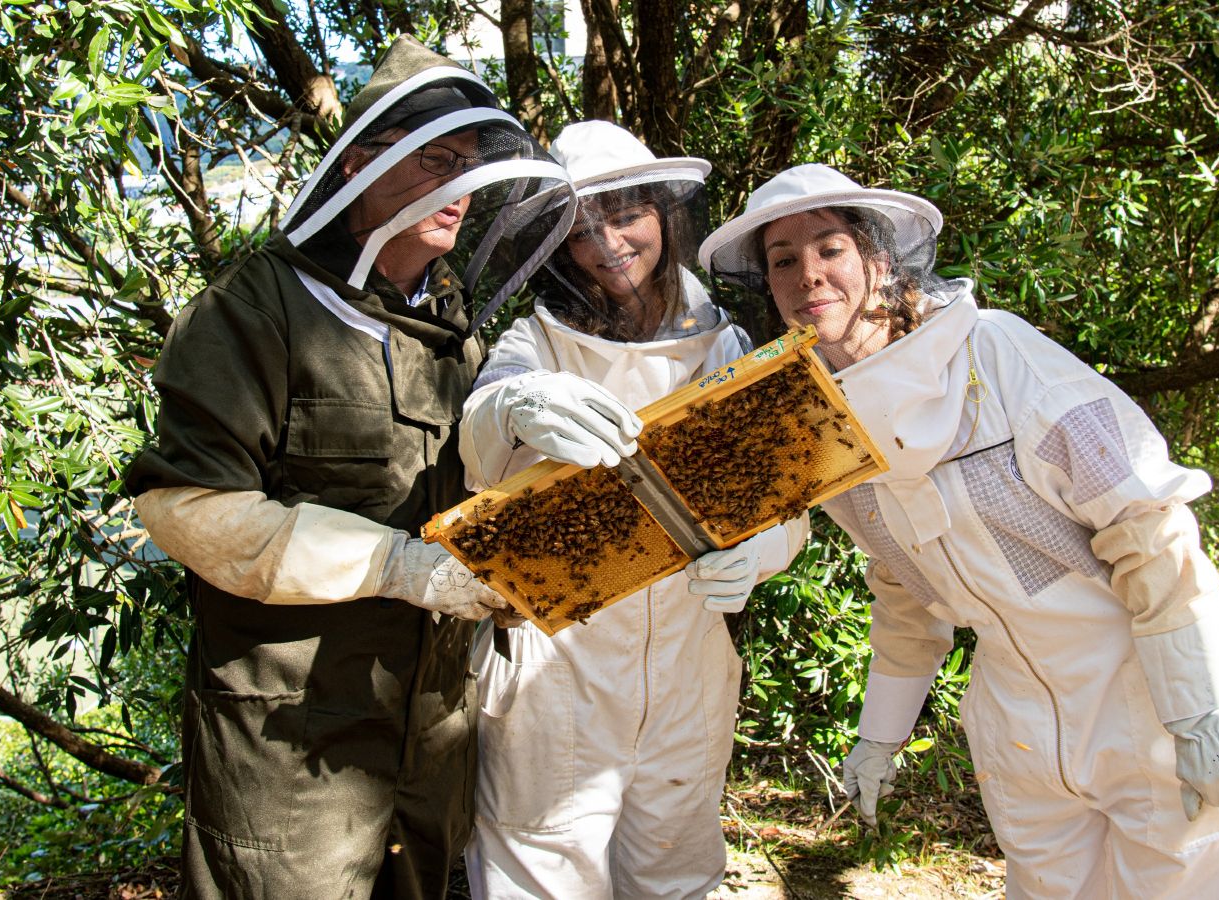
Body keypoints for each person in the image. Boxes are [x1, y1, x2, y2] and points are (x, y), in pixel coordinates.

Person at [699, 164, 1219, 898]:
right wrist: (880, 735)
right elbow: (904, 591)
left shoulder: (1000, 357)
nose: (808, 274)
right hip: (1013, 713)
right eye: (783, 260)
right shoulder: (826, 422)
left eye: (830, 248)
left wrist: (1196, 711)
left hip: (1137, 690)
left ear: (880, 260)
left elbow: (1149, 529)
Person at [122, 36, 575, 899]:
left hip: (430, 738)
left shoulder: (454, 329)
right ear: (362, 162)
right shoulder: (254, 308)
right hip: (291, 748)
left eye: (471, 167)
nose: (461, 188)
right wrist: (396, 566)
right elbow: (185, 508)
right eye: (438, 160)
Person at [457, 121, 808, 899]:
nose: (607, 244)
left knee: (675, 871)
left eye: (624, 216)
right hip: (557, 669)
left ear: (664, 214)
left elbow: (785, 499)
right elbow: (476, 440)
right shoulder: (535, 341)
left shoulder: (723, 346)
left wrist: (759, 553)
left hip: (689, 661)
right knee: (541, 874)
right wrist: (516, 404)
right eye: (582, 230)